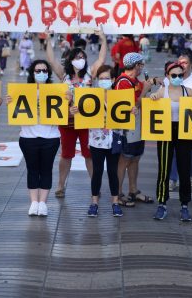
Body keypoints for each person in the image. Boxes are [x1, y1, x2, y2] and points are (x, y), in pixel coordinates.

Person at [45, 29, 107, 198]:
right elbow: (51, 60)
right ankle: (60, 185)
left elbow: (101, 59)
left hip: (87, 121)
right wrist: (49, 39)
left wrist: (103, 39)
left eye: (83, 57)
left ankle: (95, 186)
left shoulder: (90, 74)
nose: (81, 60)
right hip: (67, 121)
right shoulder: (64, 75)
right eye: (77, 57)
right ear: (71, 60)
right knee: (66, 155)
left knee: (89, 155)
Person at [148, 61, 192, 221]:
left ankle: (184, 205)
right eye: (174, 75)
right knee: (164, 169)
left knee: (184, 169)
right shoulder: (163, 90)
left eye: (180, 75)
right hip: (165, 131)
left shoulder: (188, 91)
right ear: (167, 75)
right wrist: (153, 97)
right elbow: (154, 99)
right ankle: (162, 204)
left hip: (184, 131)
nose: (177, 77)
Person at [8, 59, 61, 217]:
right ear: (32, 73)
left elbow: (64, 112)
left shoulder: (56, 91)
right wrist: (10, 101)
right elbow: (16, 110)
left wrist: (68, 99)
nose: (41, 73)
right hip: (28, 137)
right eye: (38, 71)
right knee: (32, 169)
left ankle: (43, 203)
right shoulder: (23, 91)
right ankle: (34, 202)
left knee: (46, 169)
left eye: (44, 70)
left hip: (50, 137)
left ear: (48, 73)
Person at [81, 65, 123, 217]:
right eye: (101, 78)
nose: (104, 81)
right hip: (96, 139)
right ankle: (94, 202)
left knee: (113, 171)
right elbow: (83, 112)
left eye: (107, 78)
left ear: (113, 79)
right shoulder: (92, 96)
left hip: (114, 139)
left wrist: (133, 111)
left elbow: (126, 115)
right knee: (97, 171)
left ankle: (115, 202)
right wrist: (76, 109)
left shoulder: (120, 96)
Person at [116, 52, 153, 207]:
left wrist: (150, 83)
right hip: (128, 127)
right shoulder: (123, 82)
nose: (142, 67)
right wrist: (145, 91)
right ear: (136, 65)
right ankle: (117, 194)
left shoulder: (134, 80)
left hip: (138, 126)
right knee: (124, 159)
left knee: (135, 158)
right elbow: (132, 106)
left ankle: (133, 190)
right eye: (141, 64)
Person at [164, 53, 192, 192]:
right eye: (180, 62)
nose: (182, 65)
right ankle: (172, 179)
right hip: (171, 121)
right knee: (173, 151)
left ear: (190, 64)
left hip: (190, 122)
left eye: (185, 62)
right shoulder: (168, 79)